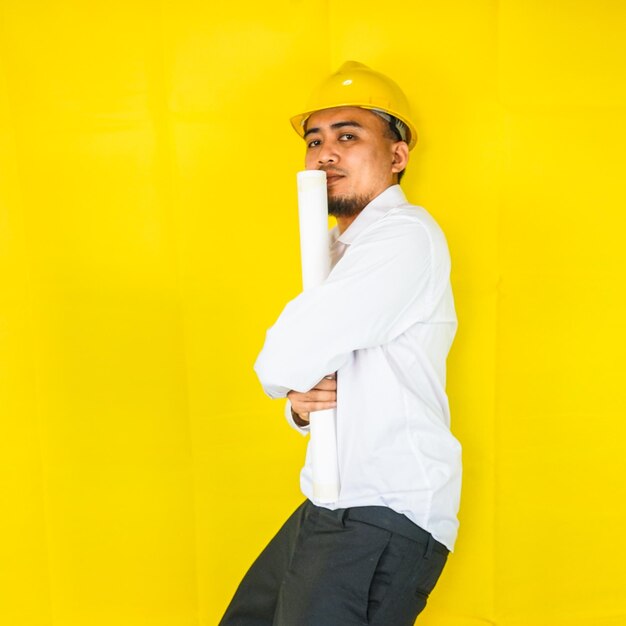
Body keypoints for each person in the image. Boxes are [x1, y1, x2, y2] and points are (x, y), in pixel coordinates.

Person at [219, 61, 461, 626]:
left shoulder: (405, 237)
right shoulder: (336, 250)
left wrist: (285, 372)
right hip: (331, 501)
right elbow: (314, 370)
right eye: (314, 140)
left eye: (348, 136)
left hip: (383, 509)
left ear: (397, 156)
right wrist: (299, 408)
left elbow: (285, 357)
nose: (325, 153)